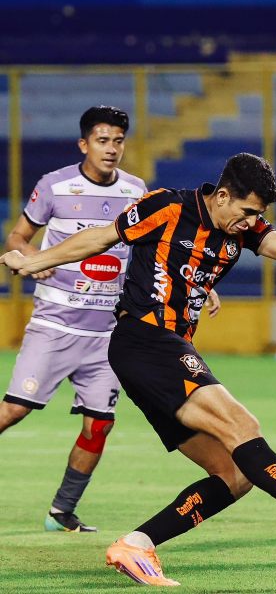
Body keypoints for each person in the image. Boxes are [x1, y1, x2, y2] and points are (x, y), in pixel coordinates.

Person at [0, 152, 276, 586]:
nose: (251, 222)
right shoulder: (168, 207)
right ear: (223, 195)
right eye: (248, 212)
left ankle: (136, 545)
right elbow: (100, 238)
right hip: (145, 339)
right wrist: (32, 262)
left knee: (234, 474)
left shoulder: (243, 229)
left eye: (259, 215)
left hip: (160, 352)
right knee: (242, 424)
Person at [0, 106, 195, 533]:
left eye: (119, 141)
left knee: (99, 424)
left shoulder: (136, 189)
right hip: (56, 325)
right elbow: (17, 237)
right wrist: (36, 259)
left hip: (109, 333)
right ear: (84, 144)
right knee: (13, 410)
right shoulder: (54, 185)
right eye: (103, 141)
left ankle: (61, 512)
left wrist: (200, 282)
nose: (112, 149)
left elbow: (157, 248)